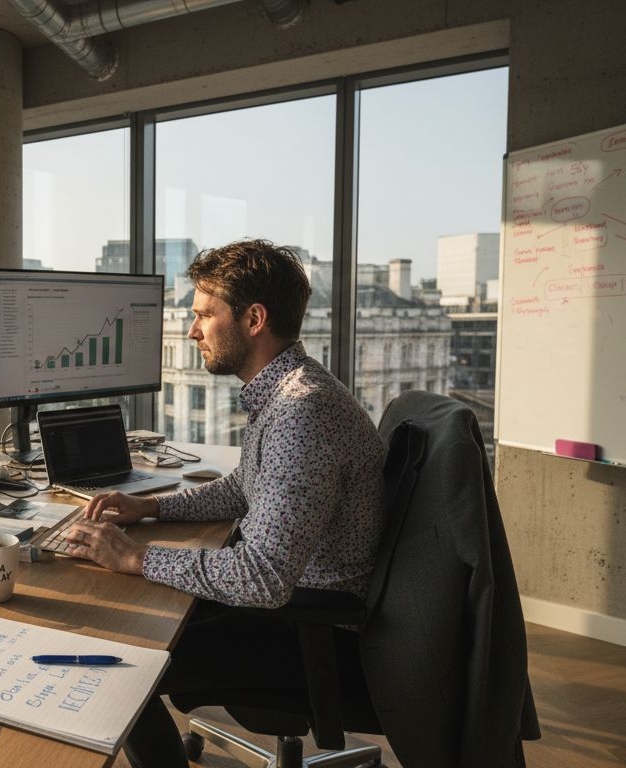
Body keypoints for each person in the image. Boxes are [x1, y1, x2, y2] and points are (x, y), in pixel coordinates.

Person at [64, 240, 387, 768]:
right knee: (140, 615)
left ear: (254, 318)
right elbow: (243, 487)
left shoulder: (301, 414)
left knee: (121, 661)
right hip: (297, 602)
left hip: (314, 632)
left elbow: (262, 577)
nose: (192, 331)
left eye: (204, 315)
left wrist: (134, 557)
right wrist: (151, 510)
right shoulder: (285, 392)